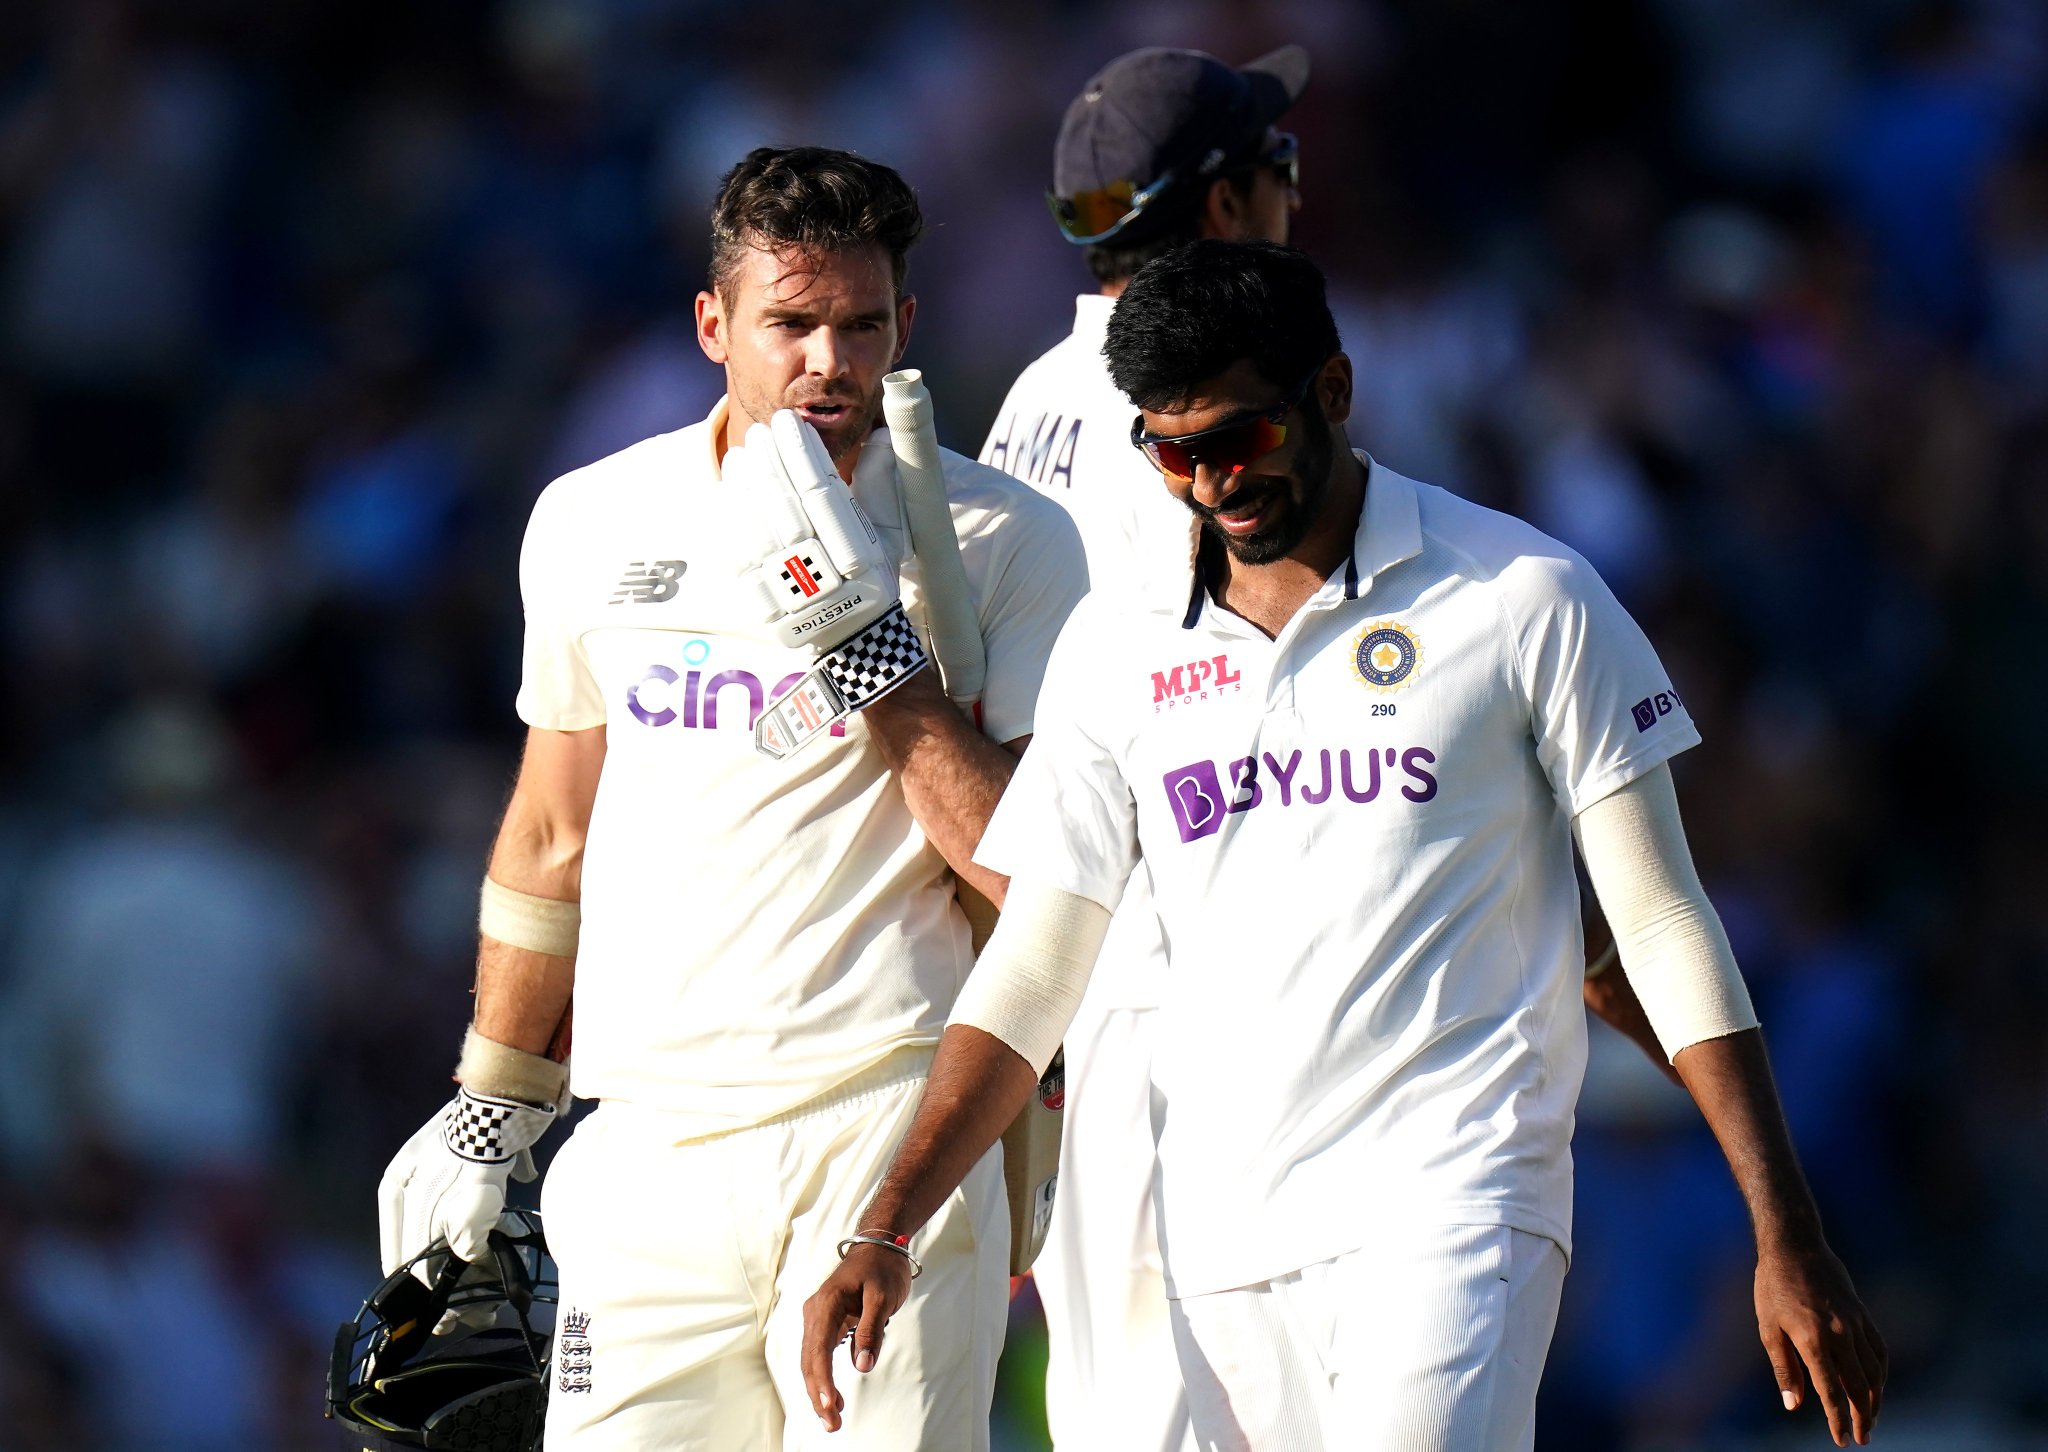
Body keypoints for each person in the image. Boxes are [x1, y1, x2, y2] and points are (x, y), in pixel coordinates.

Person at [802, 241, 1886, 1451]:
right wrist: (885, 1225)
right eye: (1172, 453)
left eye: (1239, 438)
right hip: (1218, 1235)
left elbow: (1657, 917)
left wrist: (1782, 1225)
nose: (1212, 482)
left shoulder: (1523, 595)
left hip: (1458, 1197)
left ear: (1331, 388)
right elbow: (1035, 972)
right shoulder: (1117, 644)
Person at [980, 47, 1680, 1452]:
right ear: (1228, 202)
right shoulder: (1204, 420)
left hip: (1096, 1025)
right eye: (1280, 165)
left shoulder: (1025, 409)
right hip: (1232, 1025)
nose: (1300, 191)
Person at [376, 145, 1087, 1450]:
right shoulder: (593, 519)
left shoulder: (1006, 539)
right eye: (792, 324)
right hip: (649, 1136)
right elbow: (550, 835)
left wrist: (871, 646)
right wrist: (496, 1098)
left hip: (886, 1118)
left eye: (862, 325)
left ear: (906, 327)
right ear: (714, 325)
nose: (830, 361)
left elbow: (1038, 890)